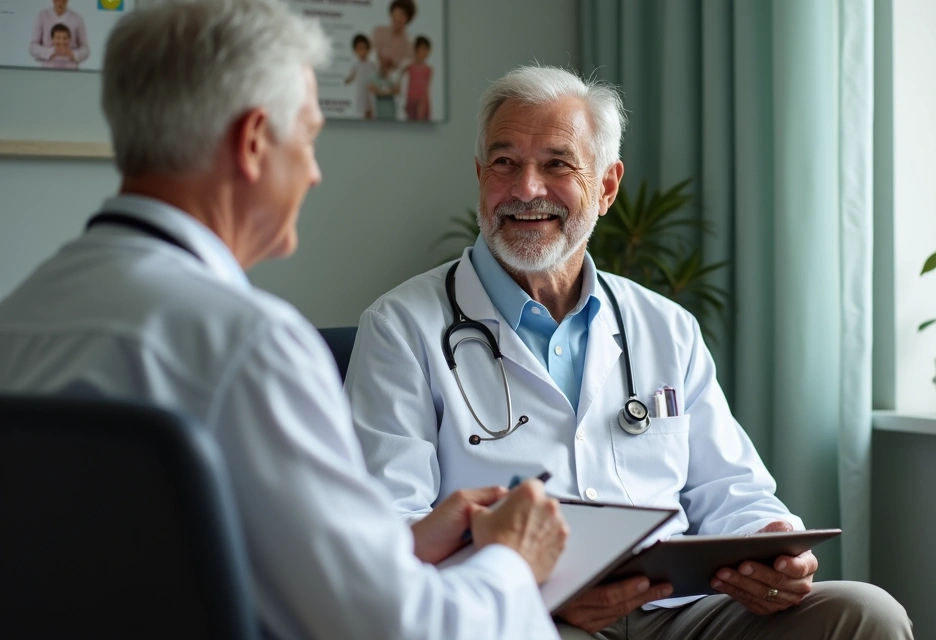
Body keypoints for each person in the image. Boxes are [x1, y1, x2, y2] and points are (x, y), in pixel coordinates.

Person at [0, 4, 567, 640]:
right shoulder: (247, 345)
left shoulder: (17, 321)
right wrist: (514, 562)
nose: (315, 171)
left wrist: (398, 548)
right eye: (308, 137)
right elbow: (397, 631)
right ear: (252, 142)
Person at [345, 65, 915, 639]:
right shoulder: (401, 328)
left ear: (607, 187)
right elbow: (390, 529)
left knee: (866, 616)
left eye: (557, 164)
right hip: (525, 616)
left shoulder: (666, 327)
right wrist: (536, 594)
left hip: (678, 611)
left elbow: (732, 490)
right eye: (504, 163)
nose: (526, 189)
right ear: (479, 177)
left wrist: (774, 547)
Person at [29, 0, 89, 67]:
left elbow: (85, 49)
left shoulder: (77, 19)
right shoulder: (42, 16)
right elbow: (33, 47)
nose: (60, 2)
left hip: (71, 70)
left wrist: (71, 53)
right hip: (47, 70)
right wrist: (51, 52)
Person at [370, 0, 414, 70]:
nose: (397, 18)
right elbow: (368, 55)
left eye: (402, 15)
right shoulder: (378, 32)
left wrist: (394, 65)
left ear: (408, 18)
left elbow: (405, 68)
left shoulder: (409, 45)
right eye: (395, 14)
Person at [343, 33, 376, 119]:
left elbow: (376, 77)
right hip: (361, 91)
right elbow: (352, 76)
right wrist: (347, 80)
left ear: (368, 49)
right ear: (355, 51)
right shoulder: (356, 65)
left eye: (363, 48)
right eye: (359, 49)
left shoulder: (371, 65)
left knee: (370, 108)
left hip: (370, 91)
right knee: (363, 109)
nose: (361, 51)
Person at [403, 35, 432, 121]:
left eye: (425, 49)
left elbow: (426, 88)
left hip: (422, 102)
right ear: (416, 50)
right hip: (411, 100)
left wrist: (423, 103)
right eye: (421, 49)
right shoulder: (409, 67)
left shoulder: (428, 69)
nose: (423, 52)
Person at [369, 55, 400, 120]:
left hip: (391, 111)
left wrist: (381, 91)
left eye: (386, 65)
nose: (384, 67)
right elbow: (372, 89)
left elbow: (397, 90)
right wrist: (389, 91)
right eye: (382, 64)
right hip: (378, 112)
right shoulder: (375, 77)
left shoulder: (393, 77)